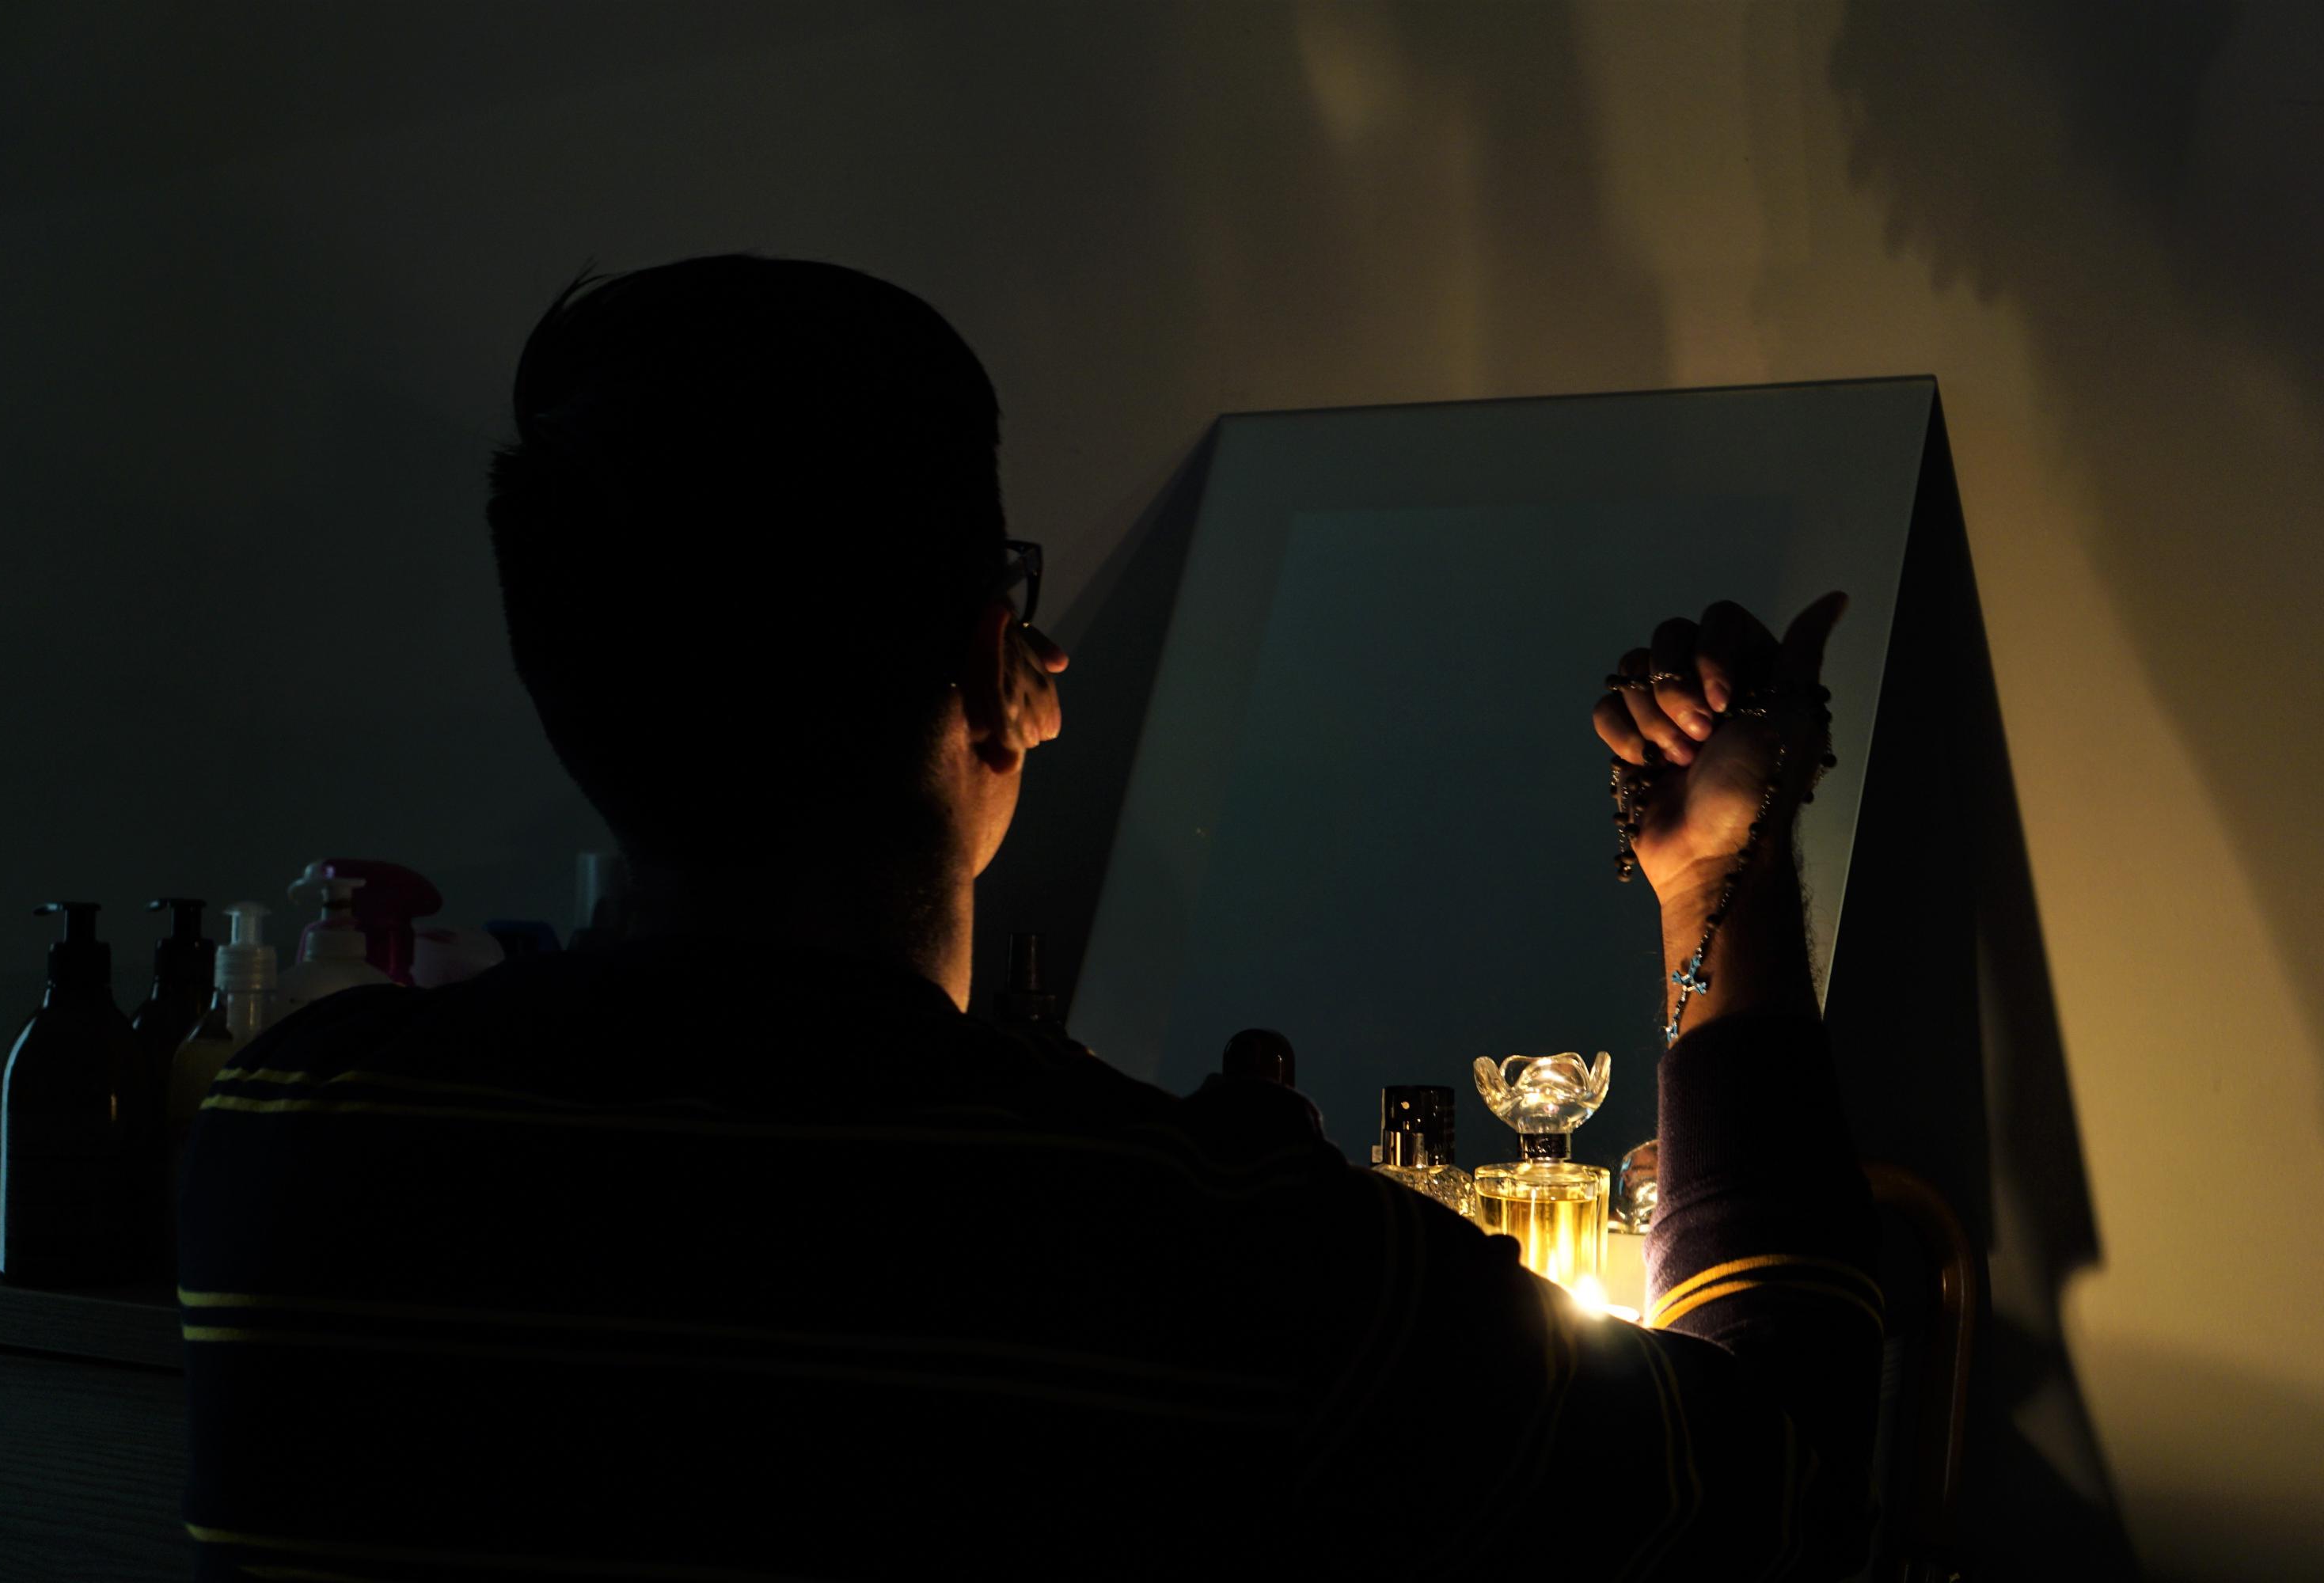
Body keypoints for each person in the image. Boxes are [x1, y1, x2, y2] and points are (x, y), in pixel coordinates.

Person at [179, 255, 1879, 1579]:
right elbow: (1781, 1476)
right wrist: (1718, 878)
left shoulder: (295, 1146)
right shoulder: (1218, 1261)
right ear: (1002, 676)